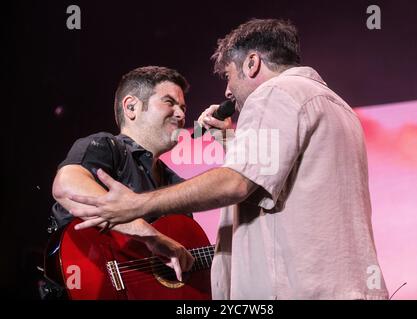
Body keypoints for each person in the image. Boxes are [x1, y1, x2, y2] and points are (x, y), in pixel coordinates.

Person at [68, 19, 389, 300]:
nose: (227, 90)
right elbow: (288, 176)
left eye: (228, 75)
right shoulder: (336, 106)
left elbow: (237, 182)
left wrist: (136, 206)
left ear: (252, 63)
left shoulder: (274, 93)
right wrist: (227, 138)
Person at [51, 66, 194, 281]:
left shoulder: (175, 183)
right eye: (170, 102)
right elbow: (67, 186)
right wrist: (151, 236)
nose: (182, 114)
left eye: (183, 107)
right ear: (131, 107)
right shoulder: (106, 147)